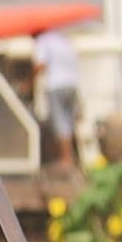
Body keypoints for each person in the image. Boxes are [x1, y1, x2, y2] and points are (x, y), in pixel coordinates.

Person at [33, 21, 88, 171]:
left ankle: (66, 159)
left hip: (56, 85)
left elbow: (40, 64)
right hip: (72, 84)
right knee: (70, 121)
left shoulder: (43, 41)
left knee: (60, 122)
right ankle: (76, 157)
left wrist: (30, 78)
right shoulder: (64, 40)